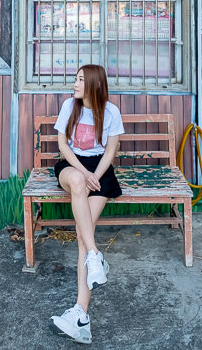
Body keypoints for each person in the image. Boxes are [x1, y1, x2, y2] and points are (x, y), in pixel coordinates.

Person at [49, 64, 124, 344]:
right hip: (72, 167)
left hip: (100, 172)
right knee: (78, 183)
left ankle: (81, 315)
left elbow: (111, 151)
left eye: (81, 80)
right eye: (76, 79)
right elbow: (63, 146)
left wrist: (97, 175)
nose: (75, 84)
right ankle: (96, 256)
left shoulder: (111, 112)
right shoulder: (71, 105)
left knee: (83, 234)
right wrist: (83, 171)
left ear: (93, 83)